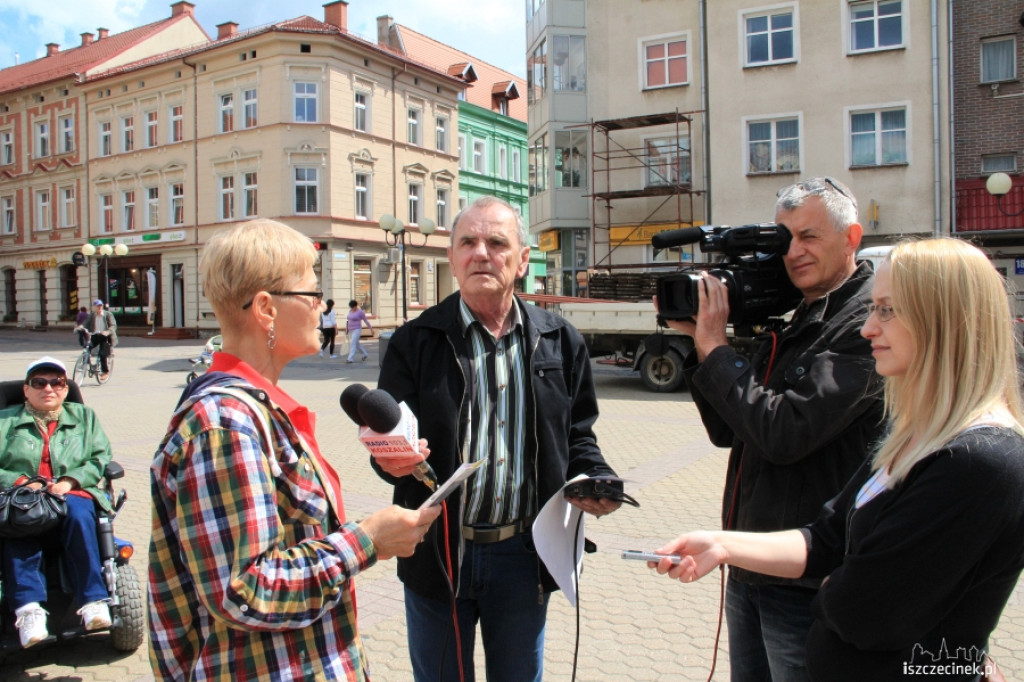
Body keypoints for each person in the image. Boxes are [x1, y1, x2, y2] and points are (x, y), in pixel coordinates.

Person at [650, 238, 1024, 682]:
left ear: (942, 320)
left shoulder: (978, 462)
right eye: (871, 308)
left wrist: (838, 585)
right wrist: (723, 544)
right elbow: (826, 539)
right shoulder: (914, 434)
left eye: (886, 309)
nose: (868, 328)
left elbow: (861, 611)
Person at [148, 219, 440, 682]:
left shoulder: (256, 409)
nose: (321, 305)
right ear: (266, 308)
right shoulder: (226, 424)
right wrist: (367, 540)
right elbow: (244, 589)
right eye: (310, 293)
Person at [375, 195, 622, 681]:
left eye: (496, 242)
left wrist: (597, 478)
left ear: (523, 259)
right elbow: (385, 444)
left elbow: (578, 437)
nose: (480, 253)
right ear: (452, 257)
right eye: (467, 242)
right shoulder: (415, 341)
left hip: (524, 555)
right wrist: (392, 460)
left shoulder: (559, 339)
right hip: (439, 552)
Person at [657, 176, 883, 681]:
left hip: (806, 578)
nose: (794, 252)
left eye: (809, 236)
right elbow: (731, 430)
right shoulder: (800, 316)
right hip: (750, 562)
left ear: (851, 238)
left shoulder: (864, 324)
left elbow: (784, 434)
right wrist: (701, 343)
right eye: (785, 239)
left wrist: (718, 350)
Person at [0, 356, 113, 648]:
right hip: (21, 497)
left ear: (65, 388)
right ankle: (28, 610)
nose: (48, 388)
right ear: (26, 390)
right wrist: (21, 482)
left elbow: (99, 458)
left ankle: (92, 601)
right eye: (39, 382)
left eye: (57, 382)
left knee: (78, 514)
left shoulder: (84, 417)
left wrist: (70, 481)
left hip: (70, 492)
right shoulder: (5, 421)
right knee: (17, 523)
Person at [79, 299, 117, 379]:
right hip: (95, 335)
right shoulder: (92, 315)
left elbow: (113, 325)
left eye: (100, 305)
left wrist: (107, 332)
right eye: (97, 306)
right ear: (94, 307)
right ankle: (85, 364)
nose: (99, 307)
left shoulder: (108, 314)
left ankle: (105, 372)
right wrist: (82, 327)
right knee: (87, 348)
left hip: (105, 337)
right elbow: (86, 322)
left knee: (102, 354)